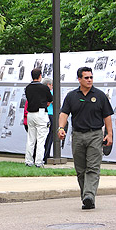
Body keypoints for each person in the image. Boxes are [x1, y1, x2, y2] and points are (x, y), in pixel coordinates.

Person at [58, 67, 113, 210]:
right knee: (80, 169)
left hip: (95, 134)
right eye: (86, 78)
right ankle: (86, 198)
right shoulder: (71, 96)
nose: (89, 80)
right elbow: (64, 113)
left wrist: (110, 134)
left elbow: (107, 116)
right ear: (79, 79)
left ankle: (89, 195)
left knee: (93, 167)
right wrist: (61, 128)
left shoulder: (100, 96)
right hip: (77, 135)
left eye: (91, 77)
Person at [24, 68, 53, 168]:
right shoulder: (44, 88)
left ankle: (28, 160)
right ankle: (39, 161)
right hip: (41, 113)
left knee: (31, 138)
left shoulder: (28, 88)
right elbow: (50, 100)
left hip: (30, 113)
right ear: (40, 76)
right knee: (41, 139)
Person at [42, 77, 54, 164]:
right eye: (51, 85)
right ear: (48, 85)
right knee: (50, 137)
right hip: (51, 114)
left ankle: (42, 155)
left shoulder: (40, 93)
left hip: (43, 115)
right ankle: (46, 155)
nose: (52, 86)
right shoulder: (51, 93)